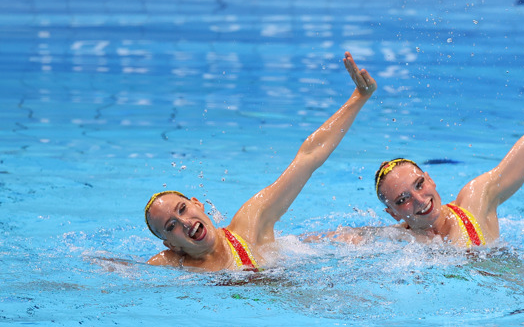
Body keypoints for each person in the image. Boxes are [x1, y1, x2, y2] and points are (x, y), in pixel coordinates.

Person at [144, 52, 376, 271]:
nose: (184, 222)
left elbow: (307, 157)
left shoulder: (249, 225)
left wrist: (359, 97)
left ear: (197, 204)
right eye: (171, 226)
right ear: (172, 245)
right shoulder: (171, 265)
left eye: (182, 209)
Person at [368, 24, 524, 248]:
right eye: (402, 200)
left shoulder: (476, 201)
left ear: (430, 179)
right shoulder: (396, 243)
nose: (419, 200)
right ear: (393, 214)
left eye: (419, 184)